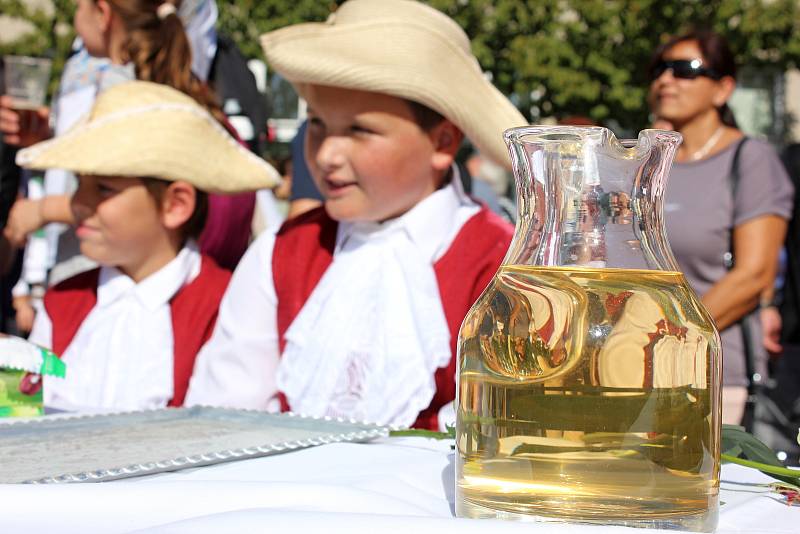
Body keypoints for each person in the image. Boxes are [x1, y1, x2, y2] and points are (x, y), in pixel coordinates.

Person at [186, 0, 527, 429]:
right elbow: (225, 410)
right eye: (317, 124)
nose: (327, 154)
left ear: (442, 143)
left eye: (359, 130)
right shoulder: (282, 254)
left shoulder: (503, 268)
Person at [16, 81, 279, 412]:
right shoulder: (62, 303)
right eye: (79, 184)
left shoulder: (225, 305)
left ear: (175, 205)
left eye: (104, 189)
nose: (79, 202)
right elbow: (27, 410)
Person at [1, 0, 255, 275]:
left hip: (106, 273)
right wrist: (49, 140)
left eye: (79, 6)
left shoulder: (124, 91)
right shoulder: (159, 74)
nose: (76, 9)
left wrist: (42, 210)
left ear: (103, 13)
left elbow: (133, 192)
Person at [648, 30, 793, 424]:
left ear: (723, 88)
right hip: (637, 376)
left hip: (712, 378)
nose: (666, 79)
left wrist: (665, 341)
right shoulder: (646, 164)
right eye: (659, 69)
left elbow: (754, 276)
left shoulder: (750, 160)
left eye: (685, 70)